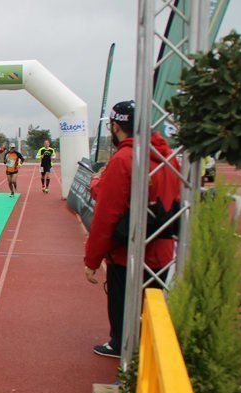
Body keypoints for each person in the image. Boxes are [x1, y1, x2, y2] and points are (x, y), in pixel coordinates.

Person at [84, 100, 180, 358]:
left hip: (129, 253)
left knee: (123, 305)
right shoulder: (168, 156)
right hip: (163, 251)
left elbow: (107, 214)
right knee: (154, 309)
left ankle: (121, 346)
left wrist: (91, 259)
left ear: (115, 126)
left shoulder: (124, 159)